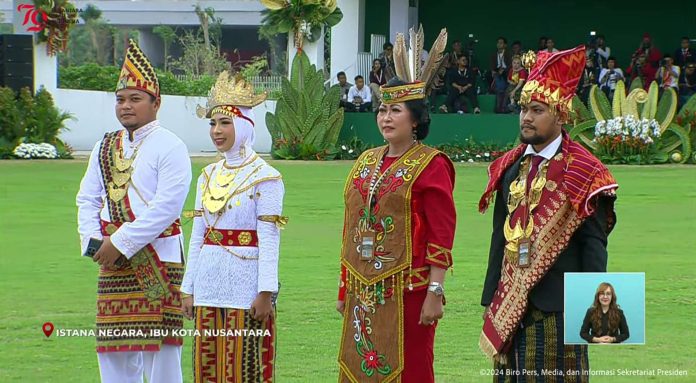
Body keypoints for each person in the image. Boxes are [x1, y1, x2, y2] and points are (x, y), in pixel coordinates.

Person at [479, 46, 619, 382]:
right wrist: (490, 298)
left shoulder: (585, 170)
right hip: (510, 306)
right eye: (523, 109)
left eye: (537, 110)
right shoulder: (508, 167)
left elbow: (594, 245)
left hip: (561, 307)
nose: (526, 117)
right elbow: (499, 236)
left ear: (560, 114)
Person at [337, 26, 455, 383]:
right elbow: (351, 227)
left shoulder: (432, 164)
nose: (385, 118)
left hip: (410, 292)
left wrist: (435, 291)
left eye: (396, 111)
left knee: (410, 370)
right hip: (363, 290)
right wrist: (345, 286)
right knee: (359, 367)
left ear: (416, 119)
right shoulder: (365, 161)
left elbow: (441, 232)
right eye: (382, 110)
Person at [76, 39, 192, 383]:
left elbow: (166, 209)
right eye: (121, 99)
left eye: (135, 99)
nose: (126, 106)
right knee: (114, 351)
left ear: (156, 104)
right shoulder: (104, 145)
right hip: (111, 260)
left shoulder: (171, 146)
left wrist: (119, 243)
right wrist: (95, 243)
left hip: (160, 258)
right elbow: (87, 197)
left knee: (162, 353)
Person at [182, 71, 285, 382]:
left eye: (225, 122)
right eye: (212, 123)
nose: (217, 130)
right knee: (207, 370)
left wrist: (266, 291)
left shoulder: (267, 177)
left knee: (246, 369)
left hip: (246, 288)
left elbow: (268, 238)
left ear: (244, 125)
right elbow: (197, 236)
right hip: (208, 286)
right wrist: (188, 289)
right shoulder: (207, 175)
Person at [491, 37, 512, 113]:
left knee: (500, 88)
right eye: (498, 43)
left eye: (501, 43)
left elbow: (511, 66)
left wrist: (503, 70)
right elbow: (493, 67)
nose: (499, 44)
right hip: (497, 72)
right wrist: (494, 71)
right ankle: (501, 108)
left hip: (507, 72)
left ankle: (498, 108)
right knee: (498, 80)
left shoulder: (509, 54)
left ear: (505, 45)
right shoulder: (494, 54)